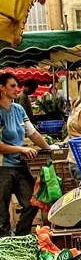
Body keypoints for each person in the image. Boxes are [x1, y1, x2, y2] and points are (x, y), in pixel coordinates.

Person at [0, 74, 51, 237]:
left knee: (32, 202)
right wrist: (21, 149)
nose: (17, 89)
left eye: (17, 86)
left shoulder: (18, 109)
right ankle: (5, 243)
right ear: (2, 88)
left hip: (20, 166)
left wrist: (49, 149)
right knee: (2, 213)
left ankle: (20, 236)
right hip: (3, 167)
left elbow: (32, 133)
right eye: (13, 86)